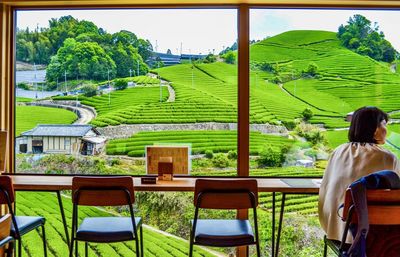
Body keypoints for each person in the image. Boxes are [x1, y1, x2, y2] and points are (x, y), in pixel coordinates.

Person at [318, 106, 400, 242]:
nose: (386, 130)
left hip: (336, 232)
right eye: (384, 124)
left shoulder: (338, 152)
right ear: (374, 129)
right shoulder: (387, 157)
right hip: (371, 239)